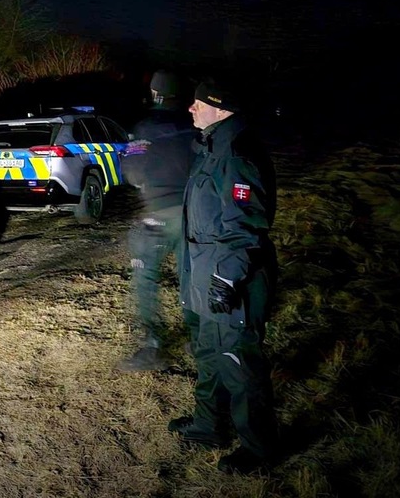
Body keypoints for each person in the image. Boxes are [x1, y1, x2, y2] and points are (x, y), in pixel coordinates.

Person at [171, 78, 280, 475]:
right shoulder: (212, 147)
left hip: (230, 282)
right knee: (208, 355)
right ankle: (207, 426)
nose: (191, 109)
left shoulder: (236, 154)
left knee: (238, 363)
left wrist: (226, 281)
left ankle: (260, 448)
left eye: (198, 102)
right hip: (204, 278)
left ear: (221, 107)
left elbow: (245, 226)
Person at [117, 69, 198, 372]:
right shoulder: (194, 126)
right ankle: (199, 338)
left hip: (159, 214)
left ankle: (153, 346)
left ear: (155, 94)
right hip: (191, 215)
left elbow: (133, 172)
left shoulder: (146, 128)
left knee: (145, 277)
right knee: (190, 277)